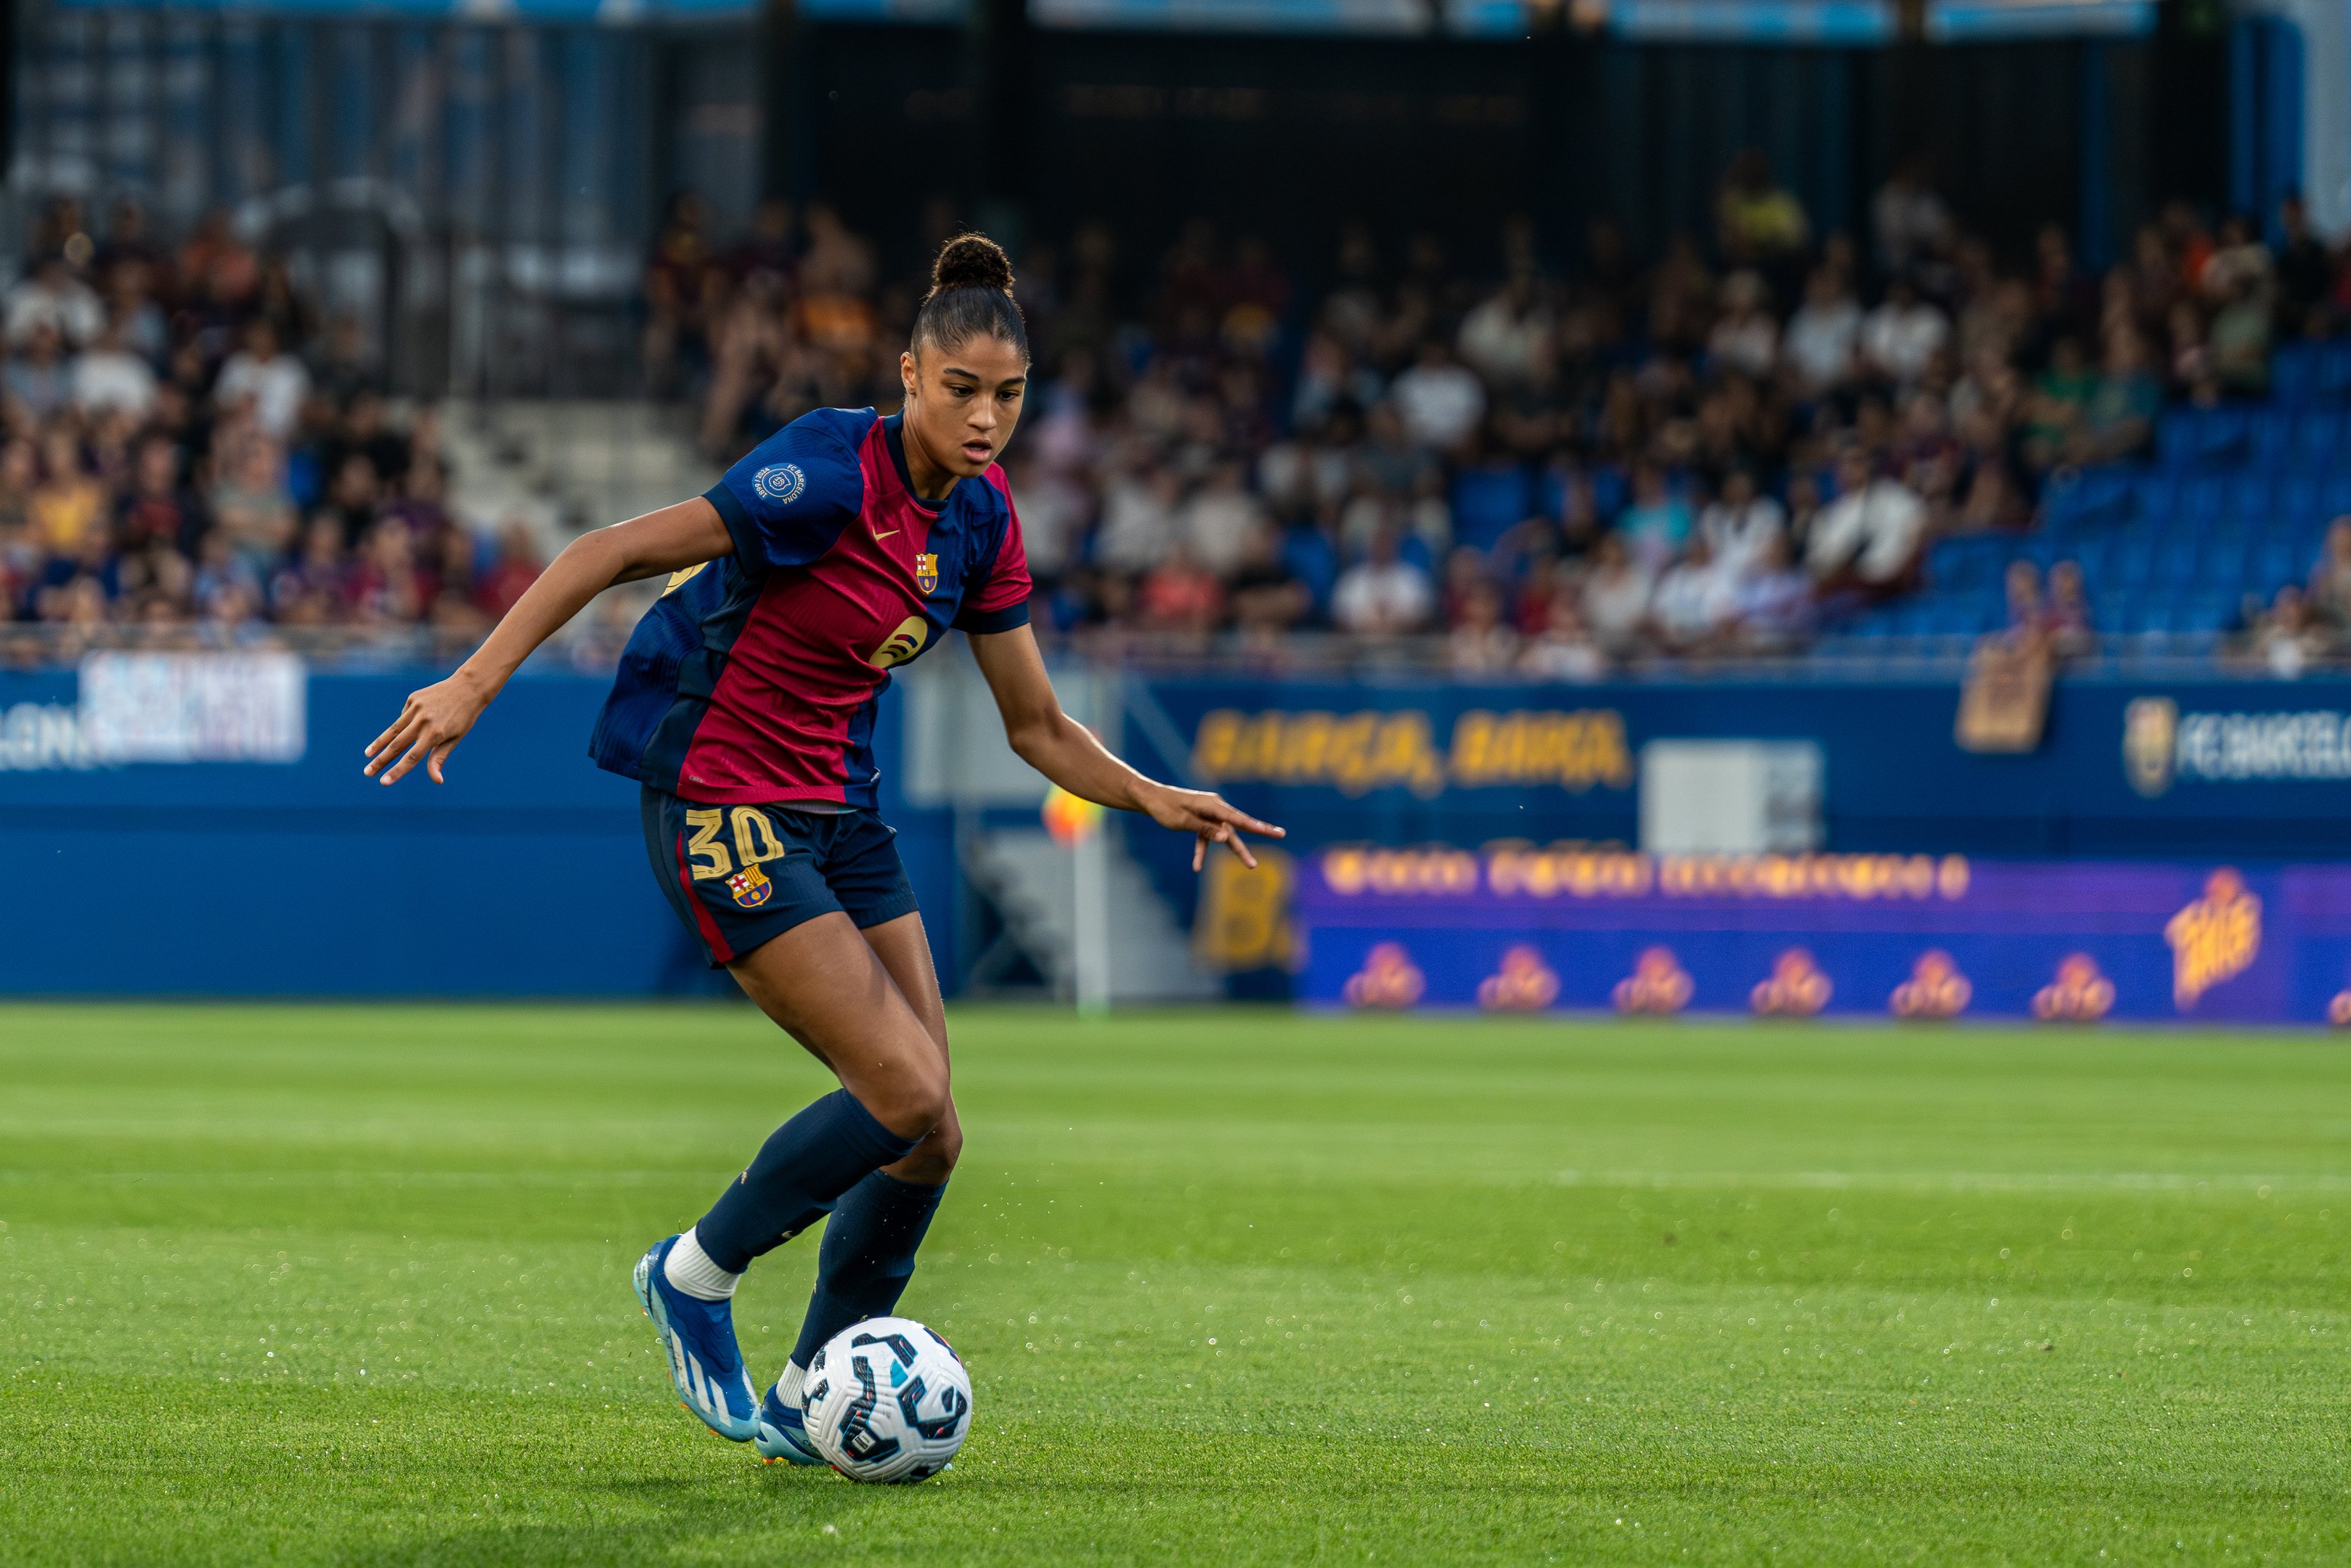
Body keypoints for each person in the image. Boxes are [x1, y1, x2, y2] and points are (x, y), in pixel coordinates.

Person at [362, 235, 1280, 1464]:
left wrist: (1152, 794)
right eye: (960, 389)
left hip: (837, 812)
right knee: (898, 1088)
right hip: (716, 796)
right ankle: (691, 1275)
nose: (984, 417)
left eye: (1007, 395)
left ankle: (807, 1400)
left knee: (933, 1129)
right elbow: (611, 552)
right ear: (909, 373)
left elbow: (1037, 727)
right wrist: (473, 683)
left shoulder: (983, 523)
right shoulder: (824, 471)